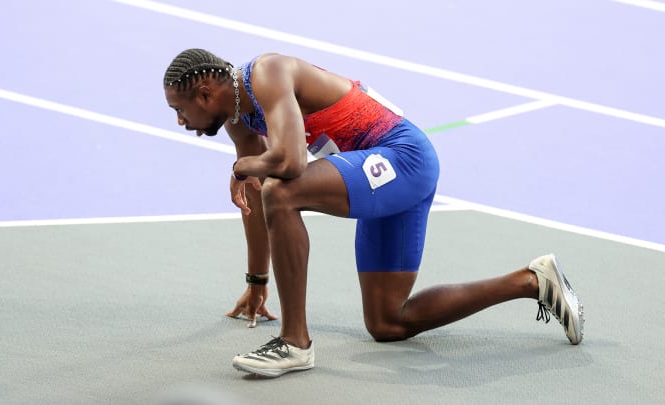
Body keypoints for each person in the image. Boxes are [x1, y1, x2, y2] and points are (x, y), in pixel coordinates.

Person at [162, 49, 584, 378]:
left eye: (180, 110)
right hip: (375, 174)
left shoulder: (266, 73)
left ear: (205, 94)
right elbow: (253, 201)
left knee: (282, 190)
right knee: (388, 322)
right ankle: (533, 281)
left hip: (403, 158)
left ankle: (294, 343)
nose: (180, 121)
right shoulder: (239, 117)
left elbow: (288, 165)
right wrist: (256, 282)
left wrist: (240, 168)